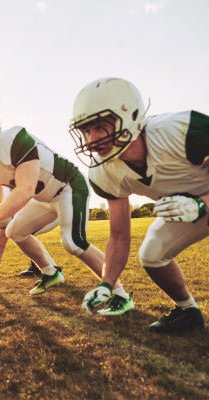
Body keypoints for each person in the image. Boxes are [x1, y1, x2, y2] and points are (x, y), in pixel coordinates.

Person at [70, 77, 208, 332]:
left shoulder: (182, 130)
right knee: (152, 253)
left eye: (100, 126)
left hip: (200, 203)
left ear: (130, 114)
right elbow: (119, 236)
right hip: (187, 209)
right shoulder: (103, 172)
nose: (92, 138)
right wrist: (106, 284)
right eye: (86, 130)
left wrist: (201, 204)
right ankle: (188, 311)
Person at [0, 125, 133, 315]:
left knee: (73, 242)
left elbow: (25, 190)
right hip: (43, 199)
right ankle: (51, 272)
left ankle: (120, 295)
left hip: (69, 186)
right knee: (14, 231)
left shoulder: (13, 140)